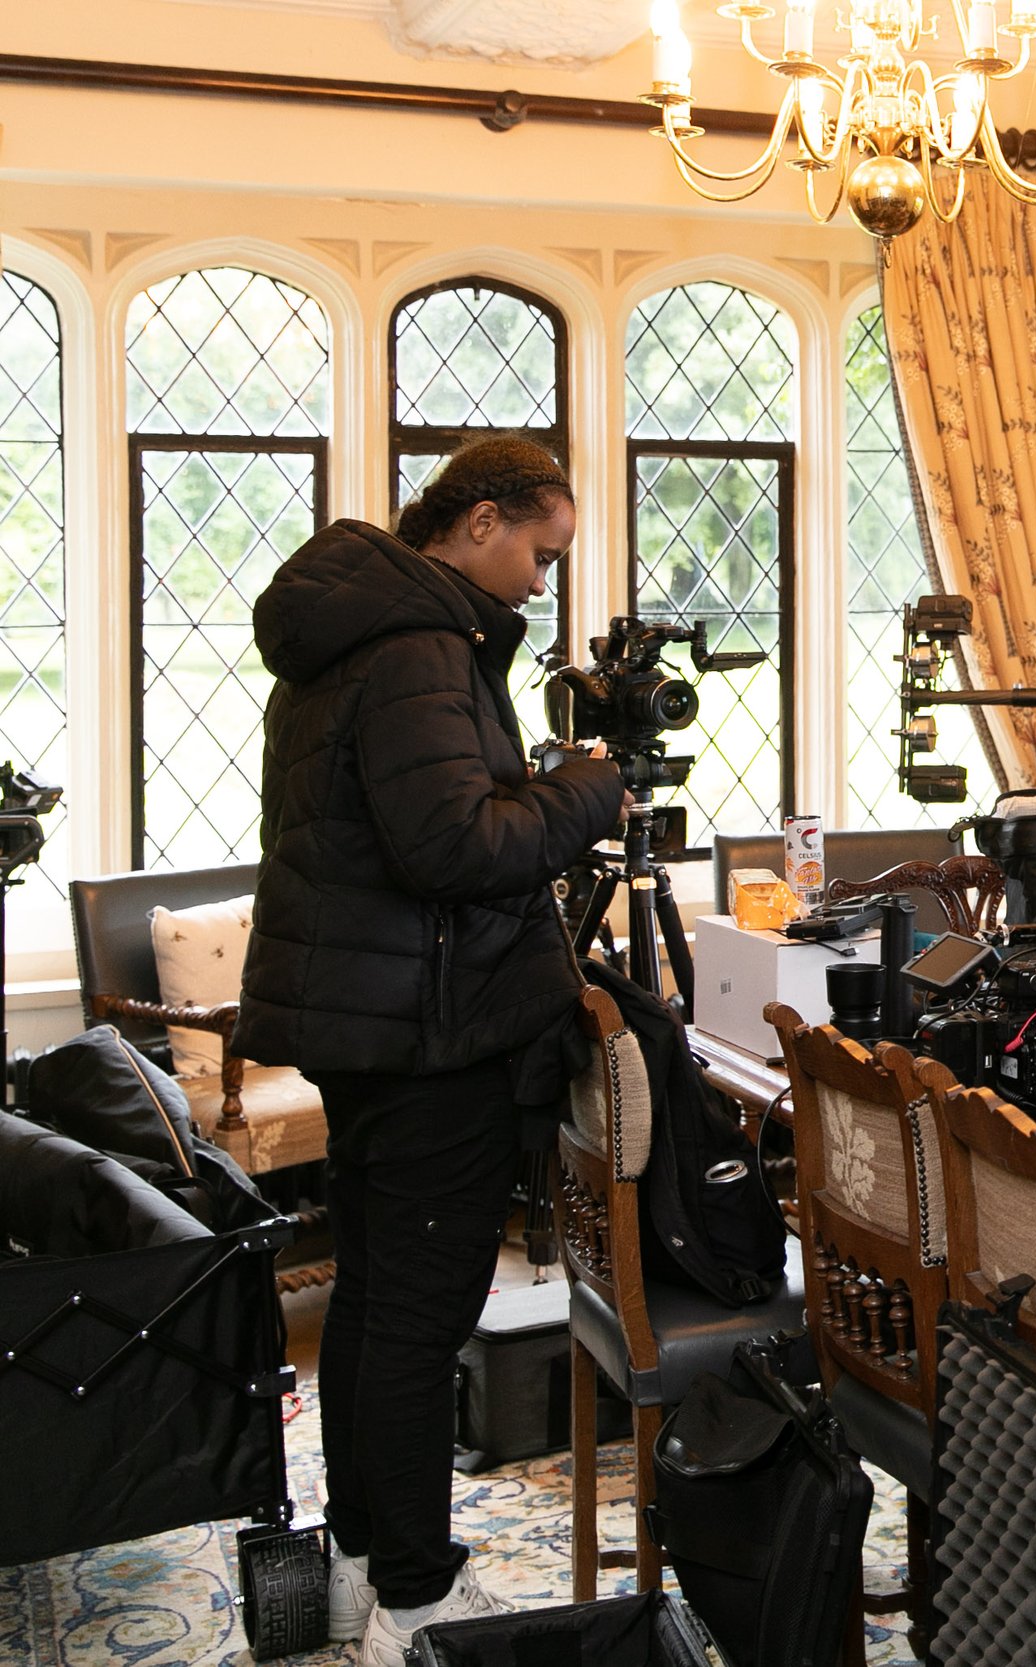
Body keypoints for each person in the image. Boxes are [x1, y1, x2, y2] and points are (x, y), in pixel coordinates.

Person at [235, 436, 625, 1666]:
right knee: (417, 1319)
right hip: (430, 1035)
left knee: (373, 1303)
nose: (542, 582)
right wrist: (585, 789)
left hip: (372, 1021)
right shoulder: (417, 645)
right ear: (481, 520)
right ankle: (414, 1593)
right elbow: (451, 846)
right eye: (540, 552)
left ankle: (363, 1560)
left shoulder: (353, 630)